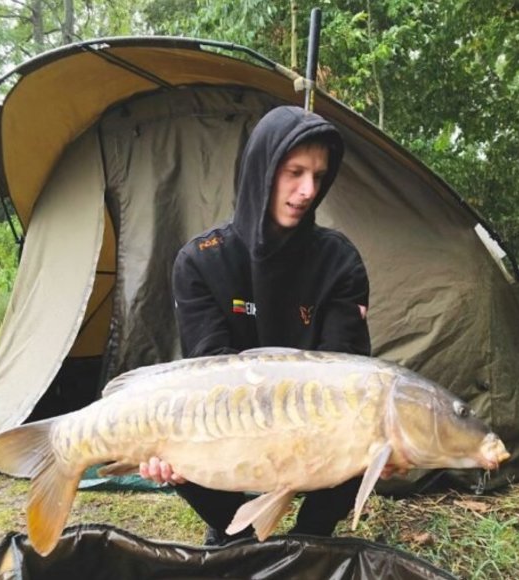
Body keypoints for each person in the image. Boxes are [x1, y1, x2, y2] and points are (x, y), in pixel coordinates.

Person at [140, 105, 371, 545]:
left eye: (319, 177)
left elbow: (350, 376)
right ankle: (235, 532)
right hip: (231, 422)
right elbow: (209, 378)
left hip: (316, 428)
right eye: (294, 172)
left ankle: (311, 539)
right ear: (262, 169)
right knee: (180, 438)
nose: (307, 191)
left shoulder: (339, 262)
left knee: (370, 429)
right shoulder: (200, 260)